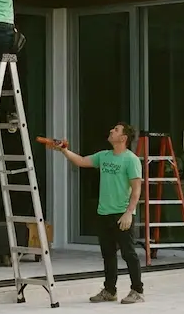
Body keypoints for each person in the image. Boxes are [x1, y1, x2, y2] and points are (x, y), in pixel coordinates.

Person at [51, 123, 145, 304]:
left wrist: (128, 213)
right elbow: (81, 161)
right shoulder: (104, 156)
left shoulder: (131, 160)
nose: (111, 130)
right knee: (108, 254)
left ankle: (137, 291)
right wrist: (64, 150)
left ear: (123, 138)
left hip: (122, 214)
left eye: (116, 130)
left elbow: (136, 190)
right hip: (104, 213)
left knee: (128, 253)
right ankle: (110, 290)